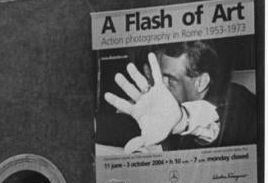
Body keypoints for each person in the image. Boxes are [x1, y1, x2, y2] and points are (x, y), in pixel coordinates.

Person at [104, 40, 256, 154]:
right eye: (159, 78)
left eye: (170, 79)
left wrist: (184, 120)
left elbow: (212, 121)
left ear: (201, 82)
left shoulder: (240, 102)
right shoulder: (168, 113)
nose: (161, 88)